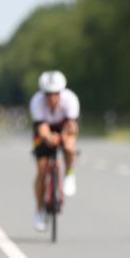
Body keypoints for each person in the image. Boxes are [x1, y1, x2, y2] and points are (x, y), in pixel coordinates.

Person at [29, 70, 81, 232]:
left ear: (61, 92)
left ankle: (70, 173)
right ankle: (39, 211)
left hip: (65, 125)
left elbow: (71, 125)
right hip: (44, 129)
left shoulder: (70, 99)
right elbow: (42, 127)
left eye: (56, 94)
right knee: (42, 170)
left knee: (69, 147)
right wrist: (48, 138)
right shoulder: (37, 101)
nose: (52, 98)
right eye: (48, 94)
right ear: (43, 93)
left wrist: (64, 138)